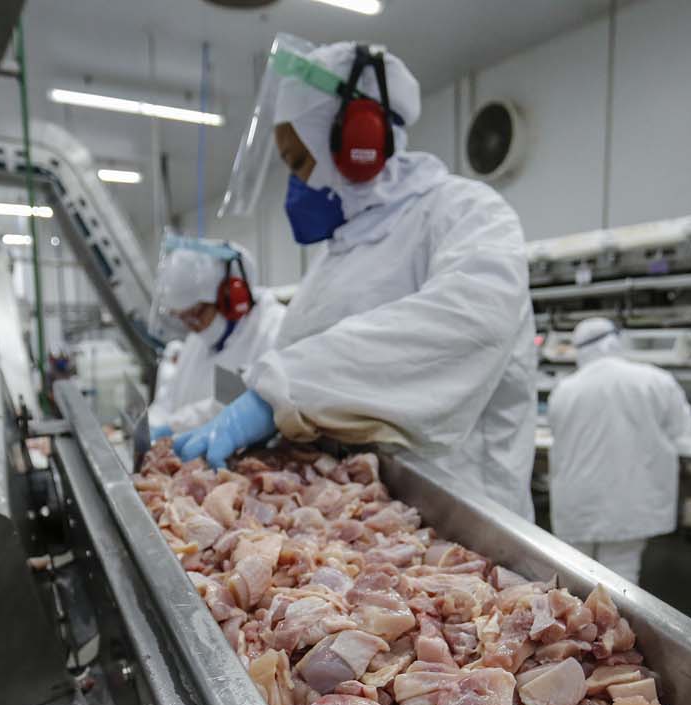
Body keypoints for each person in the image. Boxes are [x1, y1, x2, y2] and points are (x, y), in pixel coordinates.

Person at [176, 38, 536, 520]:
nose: (297, 186)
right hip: (360, 512)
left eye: (300, 163)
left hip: (463, 522)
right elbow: (290, 365)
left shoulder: (465, 214)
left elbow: (467, 325)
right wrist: (214, 416)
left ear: (358, 143)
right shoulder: (337, 257)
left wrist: (280, 395)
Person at [547, 318, 691, 586]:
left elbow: (556, 431)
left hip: (578, 499)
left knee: (572, 578)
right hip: (628, 499)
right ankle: (611, 626)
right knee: (620, 578)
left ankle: (574, 626)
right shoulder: (655, 380)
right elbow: (680, 428)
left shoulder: (565, 389)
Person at [146, 236, 284, 438]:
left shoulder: (274, 333)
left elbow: (244, 402)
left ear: (232, 296)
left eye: (196, 313)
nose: (192, 326)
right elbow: (171, 399)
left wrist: (177, 425)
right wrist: (153, 426)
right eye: (182, 318)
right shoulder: (198, 341)